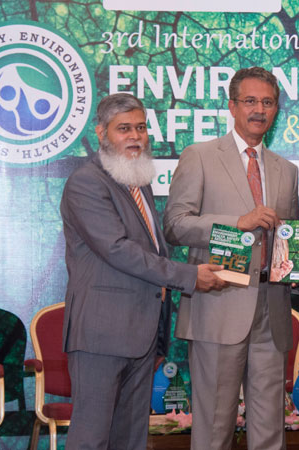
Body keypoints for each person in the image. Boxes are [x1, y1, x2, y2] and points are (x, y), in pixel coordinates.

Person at [59, 93, 227, 449]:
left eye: (140, 128)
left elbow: (151, 250)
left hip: (142, 334)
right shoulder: (86, 182)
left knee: (131, 440)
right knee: (91, 439)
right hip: (101, 335)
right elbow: (118, 250)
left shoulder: (137, 180)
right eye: (124, 129)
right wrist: (189, 275)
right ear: (101, 133)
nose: (135, 137)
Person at [164, 67, 299, 450]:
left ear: (276, 110)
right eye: (250, 101)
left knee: (270, 433)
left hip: (271, 311)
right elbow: (174, 225)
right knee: (213, 432)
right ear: (232, 106)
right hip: (217, 305)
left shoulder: (286, 170)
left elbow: (286, 241)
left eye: (268, 102)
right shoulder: (200, 156)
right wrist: (237, 223)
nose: (259, 110)